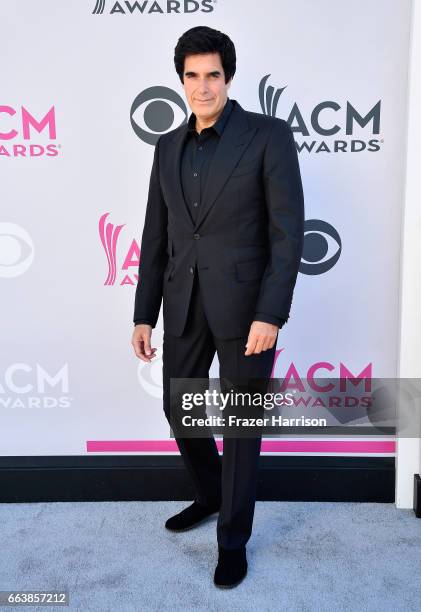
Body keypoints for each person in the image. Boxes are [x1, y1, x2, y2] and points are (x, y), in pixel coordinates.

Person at [131, 25, 304, 588]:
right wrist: (143, 313)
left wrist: (270, 314)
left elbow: (287, 234)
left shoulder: (267, 136)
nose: (202, 87)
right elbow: (156, 234)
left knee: (240, 425)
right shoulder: (167, 146)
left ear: (228, 77)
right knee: (179, 411)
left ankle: (233, 540)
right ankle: (209, 494)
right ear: (180, 79)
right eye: (191, 76)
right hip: (182, 303)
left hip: (247, 310)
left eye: (213, 75)